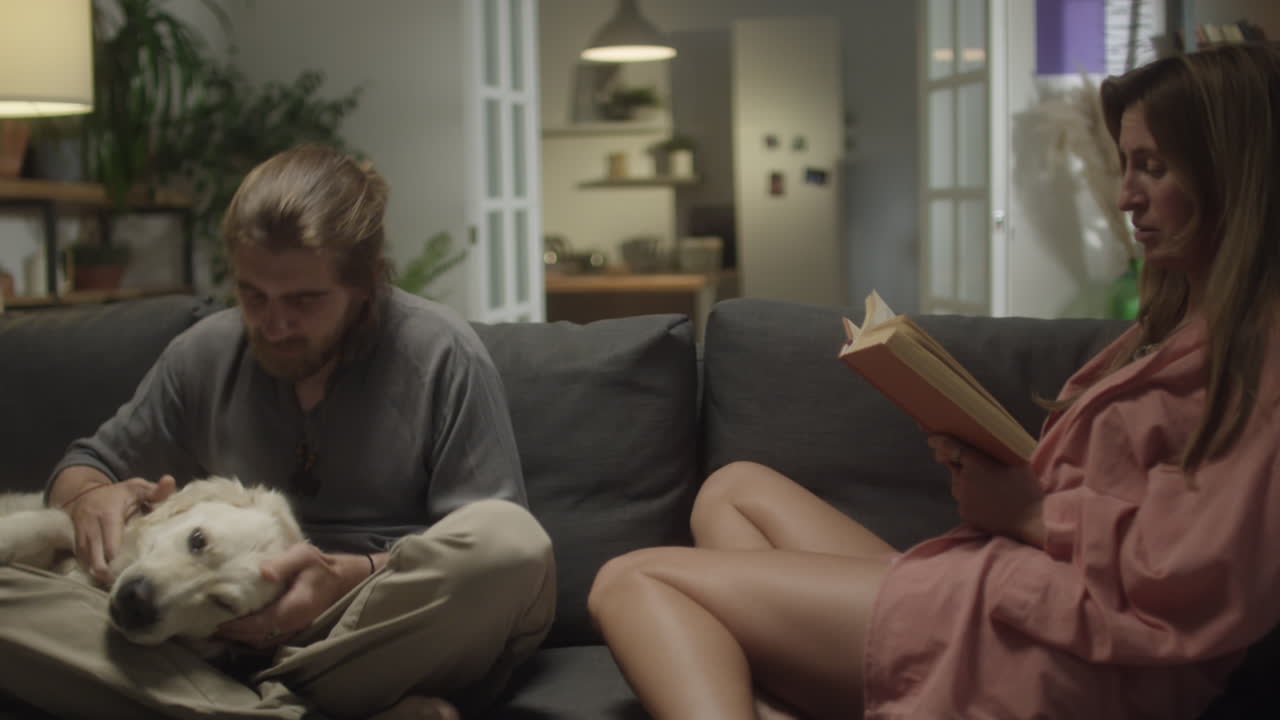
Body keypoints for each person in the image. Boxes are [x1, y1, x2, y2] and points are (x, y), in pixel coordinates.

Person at [587, 41, 1280, 720]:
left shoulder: (1261, 358)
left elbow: (1208, 569)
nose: (1126, 195)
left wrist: (1032, 512)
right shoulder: (1171, 324)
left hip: (1068, 649)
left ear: (1231, 173)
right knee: (733, 490)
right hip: (1013, 593)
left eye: (1152, 167)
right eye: (1127, 165)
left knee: (631, 580)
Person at [2, 144, 555, 720]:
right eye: (252, 294)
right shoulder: (205, 354)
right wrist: (91, 495)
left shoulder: (442, 355)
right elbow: (87, 466)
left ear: (365, 284)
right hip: (204, 637)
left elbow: (488, 549)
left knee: (511, 543)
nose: (274, 323)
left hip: (365, 632)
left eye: (304, 299)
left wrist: (351, 575)